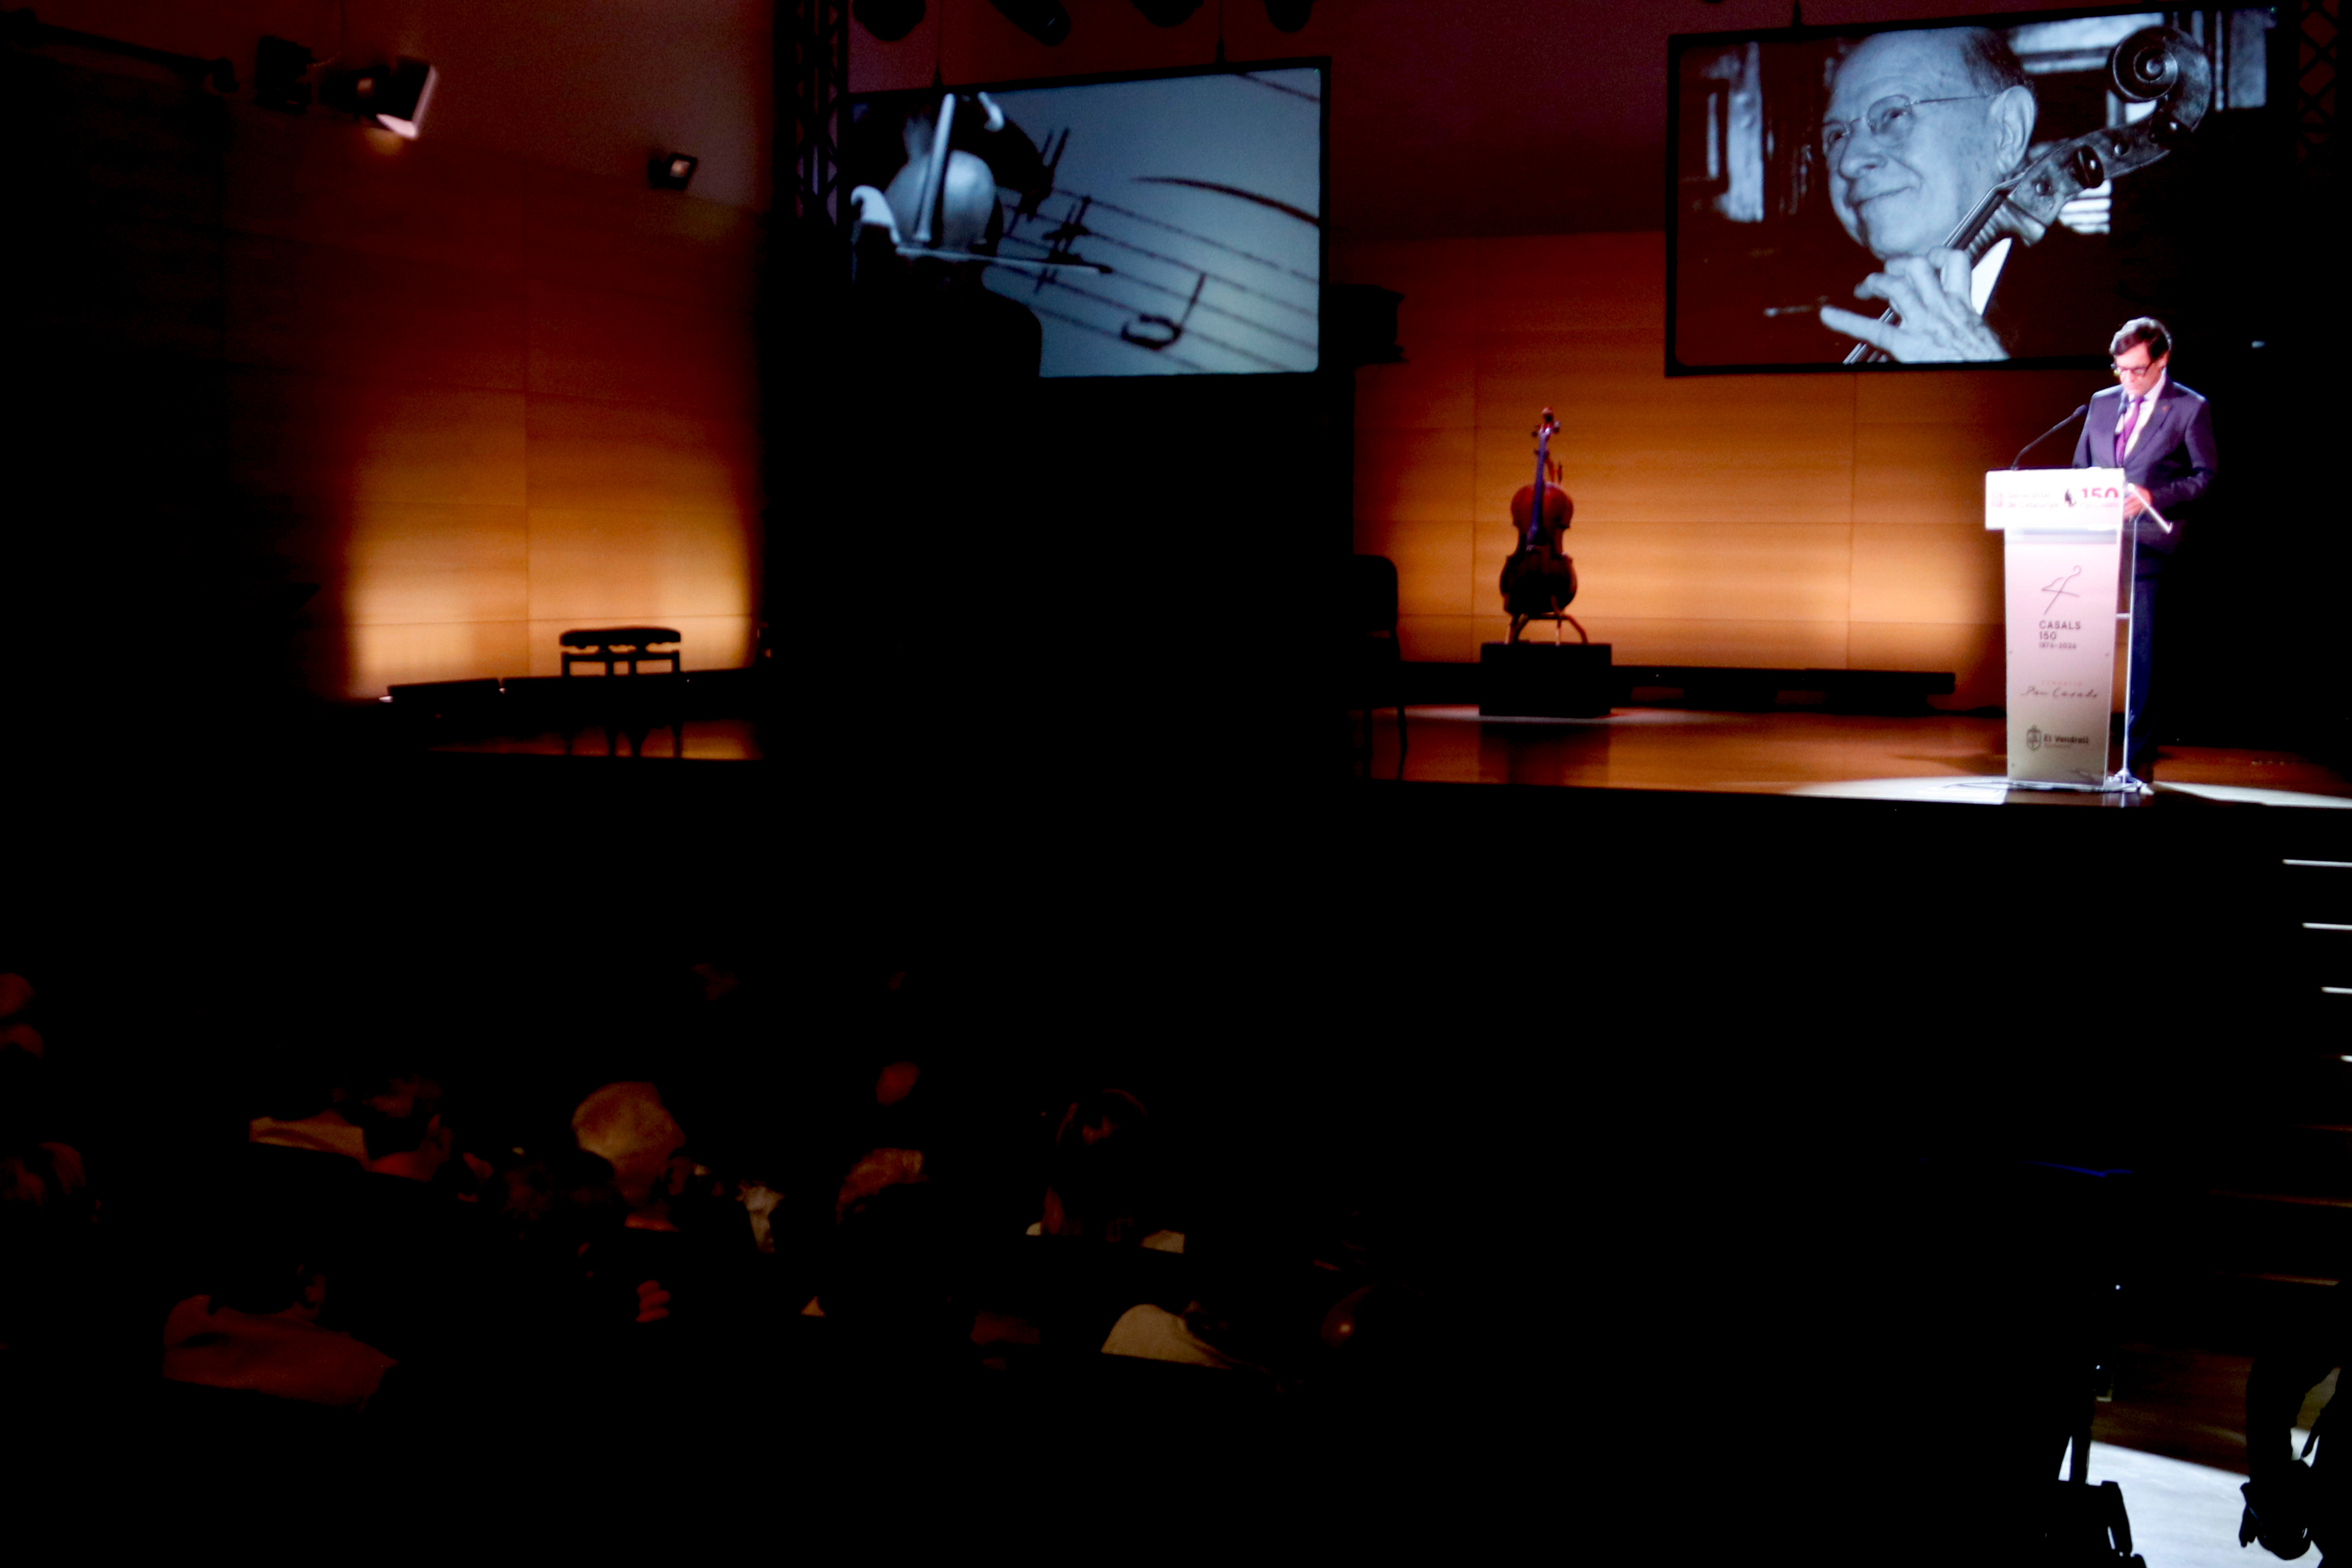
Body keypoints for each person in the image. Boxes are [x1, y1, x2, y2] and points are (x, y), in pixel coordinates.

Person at [1815, 28, 2111, 363]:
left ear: (2006, 132)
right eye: (1836, 135)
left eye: (1895, 115)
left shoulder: (2125, 309)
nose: (1850, 161)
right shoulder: (1816, 331)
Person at [2070, 317, 2215, 782]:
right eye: (2120, 370)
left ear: (2162, 360)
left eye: (2136, 370)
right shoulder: (2100, 403)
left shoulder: (2190, 408)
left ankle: (2135, 760)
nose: (2128, 380)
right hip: (2095, 542)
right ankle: (2072, 748)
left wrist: (2156, 495)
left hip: (2151, 546)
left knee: (2143, 655)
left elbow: (2204, 477)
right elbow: (2080, 467)